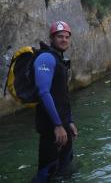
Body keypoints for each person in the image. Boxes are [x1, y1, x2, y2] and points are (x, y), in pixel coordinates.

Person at [32, 21, 78, 183]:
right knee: (48, 169)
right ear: (52, 38)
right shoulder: (46, 58)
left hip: (63, 123)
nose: (64, 39)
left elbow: (62, 95)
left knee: (65, 164)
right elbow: (43, 92)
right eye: (60, 36)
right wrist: (58, 125)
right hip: (51, 126)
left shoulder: (60, 60)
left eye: (66, 37)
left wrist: (69, 121)